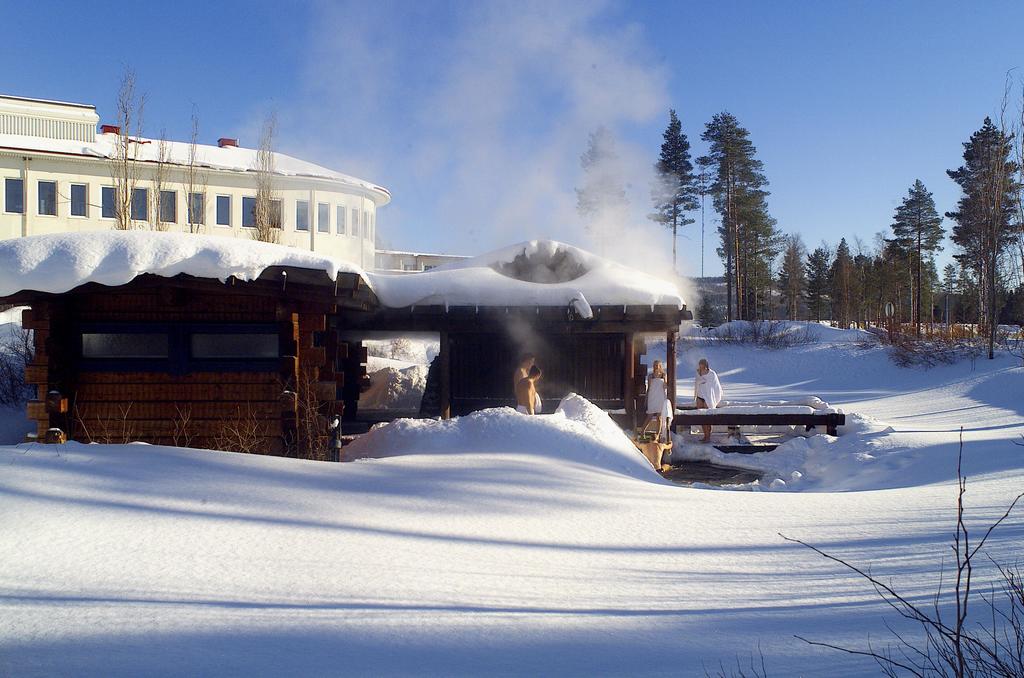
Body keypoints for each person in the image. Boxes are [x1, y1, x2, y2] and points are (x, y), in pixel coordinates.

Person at [642, 360, 673, 443]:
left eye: (658, 365)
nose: (656, 367)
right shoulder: (650, 376)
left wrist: (667, 386)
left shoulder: (663, 375)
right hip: (652, 396)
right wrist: (647, 397)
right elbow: (649, 387)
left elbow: (665, 385)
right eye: (655, 365)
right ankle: (642, 432)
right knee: (650, 416)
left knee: (659, 417)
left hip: (661, 397)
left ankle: (657, 435)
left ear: (660, 366)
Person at [694, 358, 723, 443]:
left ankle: (708, 436)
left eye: (702, 365)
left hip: (708, 397)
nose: (701, 366)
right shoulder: (698, 372)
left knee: (707, 417)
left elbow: (715, 386)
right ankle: (705, 435)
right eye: (700, 364)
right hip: (700, 396)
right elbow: (696, 382)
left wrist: (715, 397)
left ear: (705, 365)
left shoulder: (711, 374)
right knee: (701, 417)